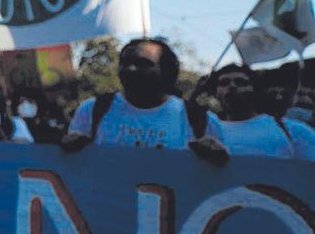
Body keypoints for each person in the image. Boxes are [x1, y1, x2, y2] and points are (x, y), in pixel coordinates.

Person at [61, 38, 224, 158]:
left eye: (143, 64)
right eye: (125, 63)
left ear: (167, 71)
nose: (131, 69)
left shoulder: (199, 120)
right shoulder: (92, 111)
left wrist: (214, 156)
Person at [203, 64, 315, 160]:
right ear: (216, 93)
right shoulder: (204, 133)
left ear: (254, 90)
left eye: (241, 82)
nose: (232, 86)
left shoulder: (294, 130)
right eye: (224, 83)